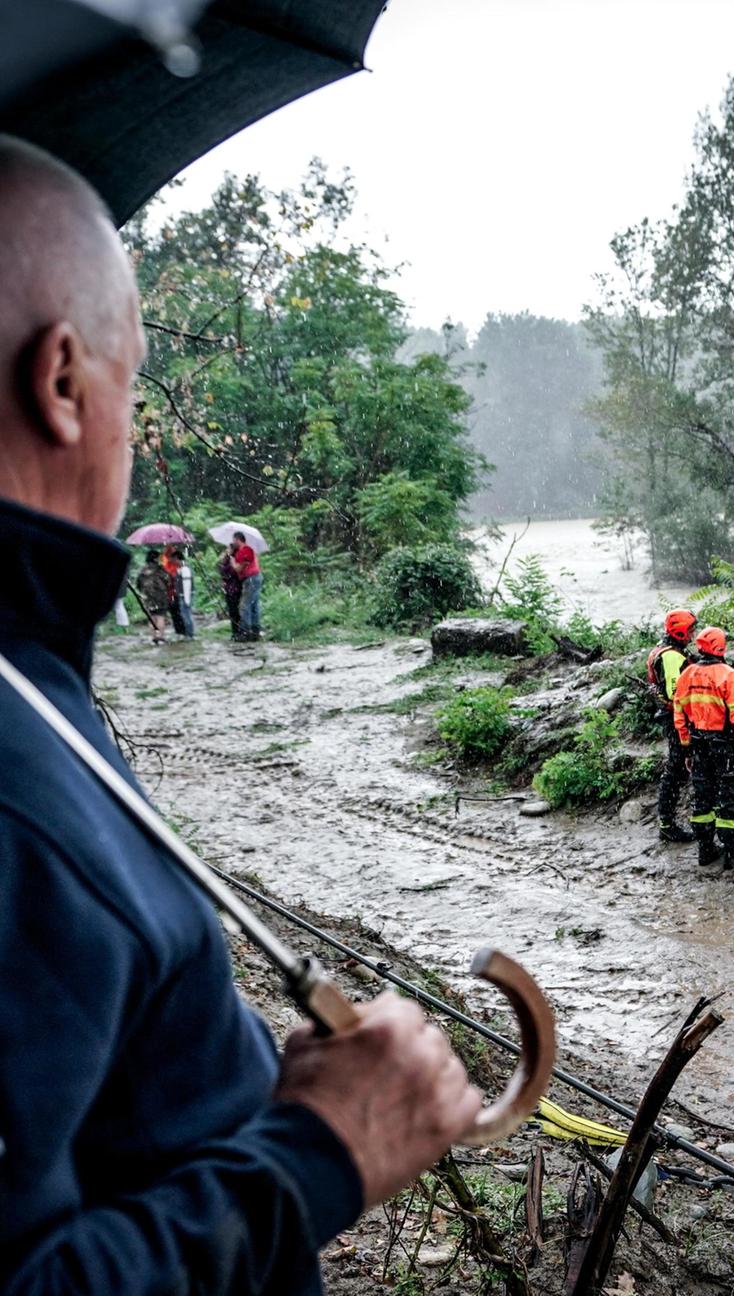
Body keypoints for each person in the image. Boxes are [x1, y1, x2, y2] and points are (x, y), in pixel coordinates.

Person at [0, 135, 482, 1295]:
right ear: (62, 381)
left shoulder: (30, 687)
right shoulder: (15, 786)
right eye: (134, 375)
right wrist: (317, 1152)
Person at [673, 626, 734, 869]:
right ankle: (731, 851)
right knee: (729, 797)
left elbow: (680, 718)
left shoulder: (686, 675)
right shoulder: (730, 676)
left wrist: (687, 749)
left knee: (703, 798)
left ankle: (705, 849)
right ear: (721, 647)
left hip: (699, 746)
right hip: (727, 746)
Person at [646, 607, 697, 843]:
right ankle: (667, 823)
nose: (693, 635)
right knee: (676, 770)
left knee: (678, 769)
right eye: (690, 631)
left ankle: (669, 820)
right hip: (676, 719)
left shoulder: (664, 650)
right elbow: (675, 692)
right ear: (679, 633)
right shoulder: (671, 656)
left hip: (671, 716)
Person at [231, 529, 262, 640]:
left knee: (245, 606)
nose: (233, 542)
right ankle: (255, 631)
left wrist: (233, 562)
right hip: (252, 579)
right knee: (253, 605)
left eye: (234, 540)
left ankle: (246, 632)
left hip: (251, 579)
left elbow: (239, 568)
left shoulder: (247, 550)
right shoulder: (242, 551)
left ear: (238, 539)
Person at [137, 548, 170, 644]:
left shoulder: (142, 570)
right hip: (160, 596)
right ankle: (161, 636)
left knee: (152, 617)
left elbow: (138, 584)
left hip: (148, 597)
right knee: (160, 616)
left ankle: (154, 637)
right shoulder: (160, 569)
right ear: (156, 558)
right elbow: (167, 580)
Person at [220, 542, 243, 639]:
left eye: (229, 548)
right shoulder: (226, 559)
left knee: (235, 611)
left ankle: (238, 632)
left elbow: (232, 572)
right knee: (232, 611)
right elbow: (222, 570)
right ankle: (235, 632)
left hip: (234, 588)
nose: (227, 550)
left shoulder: (234, 559)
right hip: (229, 588)